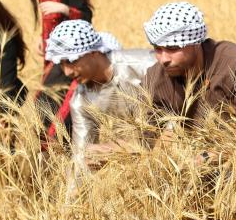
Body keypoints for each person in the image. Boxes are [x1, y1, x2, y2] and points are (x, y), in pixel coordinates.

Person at [141, 1, 236, 145]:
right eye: (157, 49)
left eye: (173, 48)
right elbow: (144, 135)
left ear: (195, 43)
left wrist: (215, 155)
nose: (164, 59)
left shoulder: (235, 63)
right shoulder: (156, 77)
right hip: (201, 159)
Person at [44, 20, 154, 178]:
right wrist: (71, 200)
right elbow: (81, 157)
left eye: (72, 61)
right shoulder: (80, 101)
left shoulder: (145, 65)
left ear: (94, 52)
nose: (67, 72)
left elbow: (179, 117)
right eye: (61, 64)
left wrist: (114, 149)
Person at [20, 0, 94, 145]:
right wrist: (40, 38)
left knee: (54, 105)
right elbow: (48, 22)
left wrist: (65, 9)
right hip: (50, 57)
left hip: (67, 60)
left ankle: (61, 148)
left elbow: (87, 17)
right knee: (48, 103)